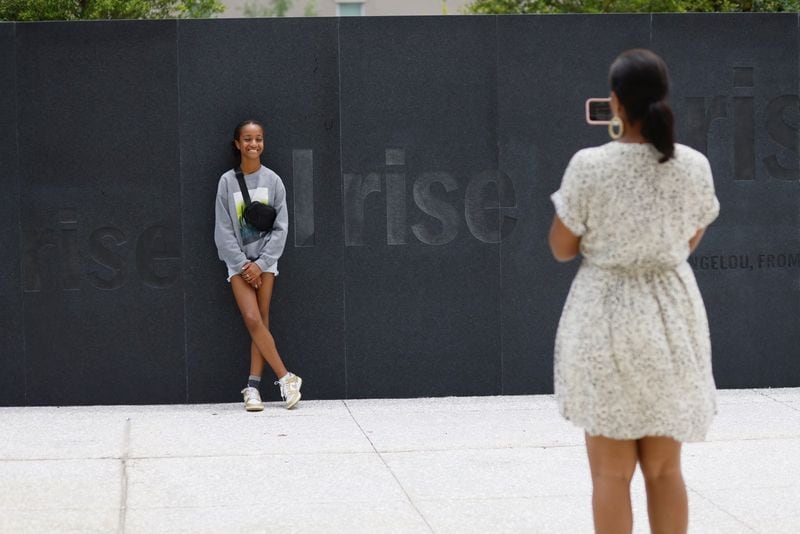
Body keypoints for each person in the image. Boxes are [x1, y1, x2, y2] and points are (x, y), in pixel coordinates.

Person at [548, 49, 719, 534]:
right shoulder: (694, 166)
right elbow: (689, 237)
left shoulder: (589, 165)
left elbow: (562, 247)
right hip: (671, 319)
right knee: (666, 472)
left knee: (610, 474)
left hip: (604, 319)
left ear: (616, 101)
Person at [214, 119, 302, 412]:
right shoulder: (227, 181)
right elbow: (223, 230)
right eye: (248, 139)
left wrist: (262, 263)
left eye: (259, 139)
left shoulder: (274, 181)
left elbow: (282, 228)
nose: (254, 144)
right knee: (252, 319)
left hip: (266, 263)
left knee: (261, 320)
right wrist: (242, 264)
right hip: (238, 265)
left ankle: (252, 389)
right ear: (237, 144)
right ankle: (286, 377)